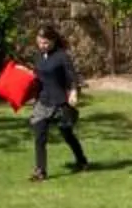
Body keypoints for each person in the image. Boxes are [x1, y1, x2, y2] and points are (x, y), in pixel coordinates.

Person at [27, 25, 90, 181]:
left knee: (67, 134)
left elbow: (71, 76)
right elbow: (37, 78)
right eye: (40, 43)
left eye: (46, 43)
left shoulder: (62, 56)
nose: (42, 46)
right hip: (42, 101)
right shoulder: (37, 56)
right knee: (39, 135)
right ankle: (40, 171)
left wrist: (74, 92)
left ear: (53, 40)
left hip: (60, 102)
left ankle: (81, 161)